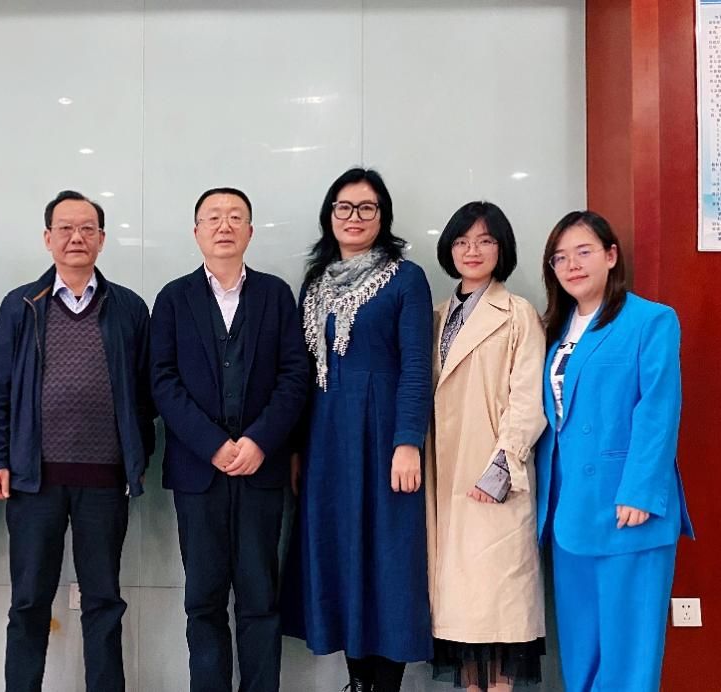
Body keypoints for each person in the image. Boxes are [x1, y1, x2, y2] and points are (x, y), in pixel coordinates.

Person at [0, 190, 155, 692]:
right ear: (47, 238)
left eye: (87, 228)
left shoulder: (128, 307)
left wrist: (136, 456)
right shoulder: (21, 305)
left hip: (105, 481)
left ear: (102, 238)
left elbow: (147, 392)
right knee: (29, 601)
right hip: (33, 479)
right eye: (65, 228)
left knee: (103, 601)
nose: (76, 237)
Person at [150, 187, 309, 692]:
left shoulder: (275, 296)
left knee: (261, 600)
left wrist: (260, 440)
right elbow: (162, 381)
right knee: (203, 600)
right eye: (213, 217)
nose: (224, 225)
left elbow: (295, 376)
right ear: (196, 231)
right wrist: (212, 444)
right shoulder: (173, 298)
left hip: (262, 470)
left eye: (235, 217)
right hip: (198, 473)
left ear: (250, 231)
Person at [282, 167, 433, 692]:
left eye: (367, 208)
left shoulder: (405, 278)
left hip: (383, 437)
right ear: (330, 215)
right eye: (344, 207)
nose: (354, 217)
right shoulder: (315, 283)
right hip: (326, 440)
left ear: (382, 216)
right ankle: (357, 681)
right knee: (340, 550)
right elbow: (301, 372)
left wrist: (408, 442)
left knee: (388, 557)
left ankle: (385, 684)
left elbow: (417, 367)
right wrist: (297, 448)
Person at [536, 210, 693, 692]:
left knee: (627, 658)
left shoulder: (651, 320)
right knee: (580, 650)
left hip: (628, 510)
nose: (572, 265)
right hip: (569, 513)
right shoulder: (555, 329)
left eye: (583, 252)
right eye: (560, 257)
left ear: (610, 256)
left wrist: (641, 491)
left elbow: (658, 409)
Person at [424, 202, 546, 691]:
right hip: (443, 479)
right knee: (461, 620)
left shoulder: (518, 314)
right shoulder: (435, 316)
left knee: (497, 617)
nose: (471, 250)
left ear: (502, 249)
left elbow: (528, 402)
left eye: (485, 241)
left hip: (492, 481)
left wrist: (500, 470)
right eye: (461, 241)